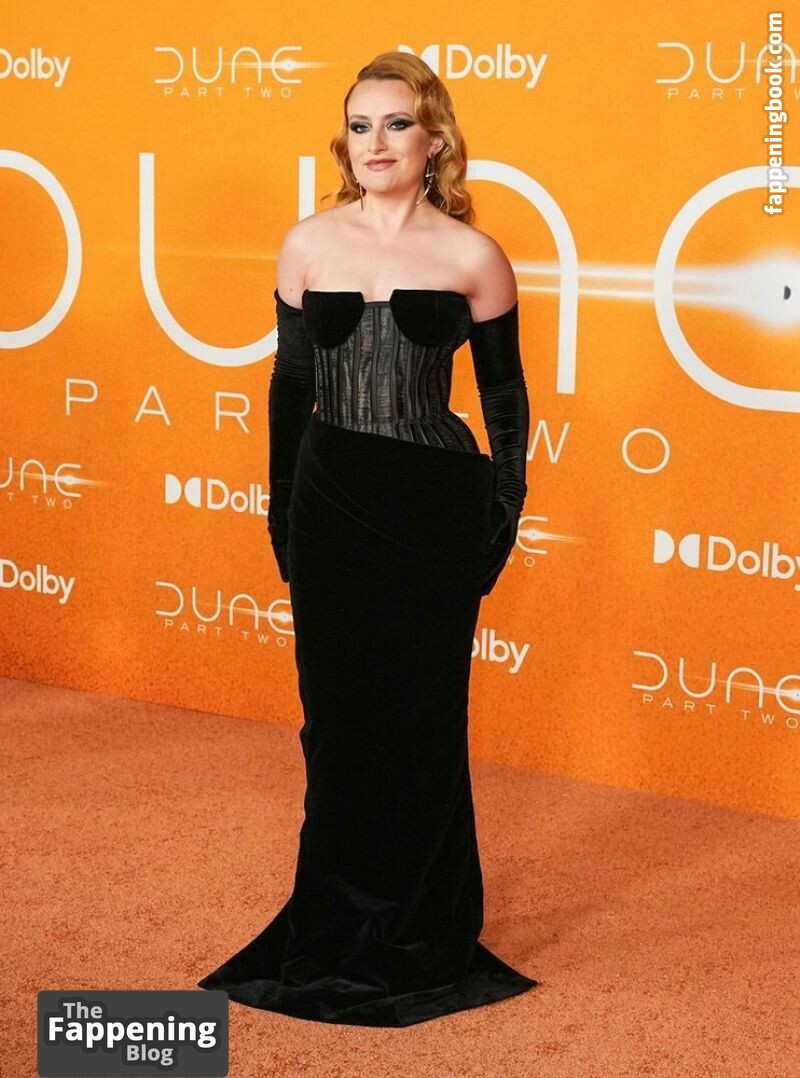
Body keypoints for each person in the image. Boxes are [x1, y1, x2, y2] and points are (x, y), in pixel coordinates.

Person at [197, 50, 537, 1027]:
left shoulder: (474, 257)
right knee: (337, 724)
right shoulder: (308, 243)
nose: (376, 143)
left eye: (396, 123)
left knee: (421, 723)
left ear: (434, 139)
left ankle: (421, 930)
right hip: (332, 501)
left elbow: (505, 400)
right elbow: (290, 388)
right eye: (359, 125)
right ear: (343, 141)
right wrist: (280, 511)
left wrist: (501, 513)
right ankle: (335, 925)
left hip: (432, 506)